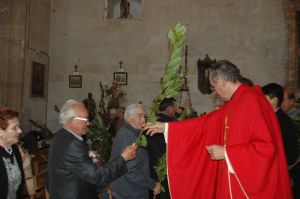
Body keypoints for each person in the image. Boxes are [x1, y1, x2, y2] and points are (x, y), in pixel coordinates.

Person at [146, 60, 292, 198]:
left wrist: (227, 153)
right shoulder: (236, 102)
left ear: (222, 82)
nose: (215, 92)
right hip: (232, 180)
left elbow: (266, 148)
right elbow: (205, 123)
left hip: (249, 185)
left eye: (214, 87)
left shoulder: (252, 100)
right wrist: (167, 127)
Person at [48, 99, 137, 199]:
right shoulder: (72, 144)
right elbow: (96, 176)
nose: (88, 124)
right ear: (71, 120)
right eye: (85, 119)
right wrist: (124, 158)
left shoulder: (61, 135)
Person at [111, 103, 161, 199]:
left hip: (126, 189)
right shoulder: (129, 137)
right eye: (139, 116)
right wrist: (153, 185)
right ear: (129, 118)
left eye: (144, 116)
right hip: (130, 192)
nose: (143, 120)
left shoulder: (126, 131)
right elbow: (131, 172)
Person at [262, 83, 300, 198]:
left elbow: (292, 153)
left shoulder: (284, 122)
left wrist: (278, 168)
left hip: (284, 171)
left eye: (264, 99)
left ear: (274, 100)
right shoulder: (270, 117)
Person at [147, 97, 177, 199]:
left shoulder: (151, 121)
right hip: (167, 167)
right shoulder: (172, 124)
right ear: (169, 109)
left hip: (151, 165)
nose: (176, 110)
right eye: (175, 107)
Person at [0, 108, 24, 199]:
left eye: (19, 126)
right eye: (14, 127)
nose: (20, 131)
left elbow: (19, 187)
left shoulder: (14, 149)